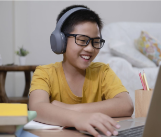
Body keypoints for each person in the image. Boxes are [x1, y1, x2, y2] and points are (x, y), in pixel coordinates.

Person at [29, 5, 134, 137]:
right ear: (61, 41)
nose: (90, 49)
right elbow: (37, 108)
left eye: (95, 41)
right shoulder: (45, 73)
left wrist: (71, 109)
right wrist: (77, 118)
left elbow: (126, 105)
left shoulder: (103, 71)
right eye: (82, 40)